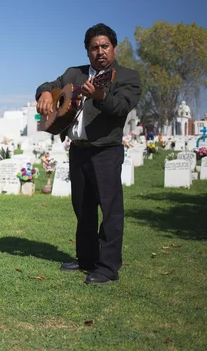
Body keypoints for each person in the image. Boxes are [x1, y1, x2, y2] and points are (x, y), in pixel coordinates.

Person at [35, 23, 141, 285]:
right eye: (94, 47)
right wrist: (46, 92)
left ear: (114, 48)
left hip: (106, 151)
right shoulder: (74, 73)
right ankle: (86, 259)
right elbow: (49, 84)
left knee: (110, 211)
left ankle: (107, 268)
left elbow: (121, 107)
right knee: (83, 209)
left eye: (105, 46)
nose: (100, 51)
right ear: (87, 51)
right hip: (78, 151)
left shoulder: (127, 76)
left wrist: (101, 96)